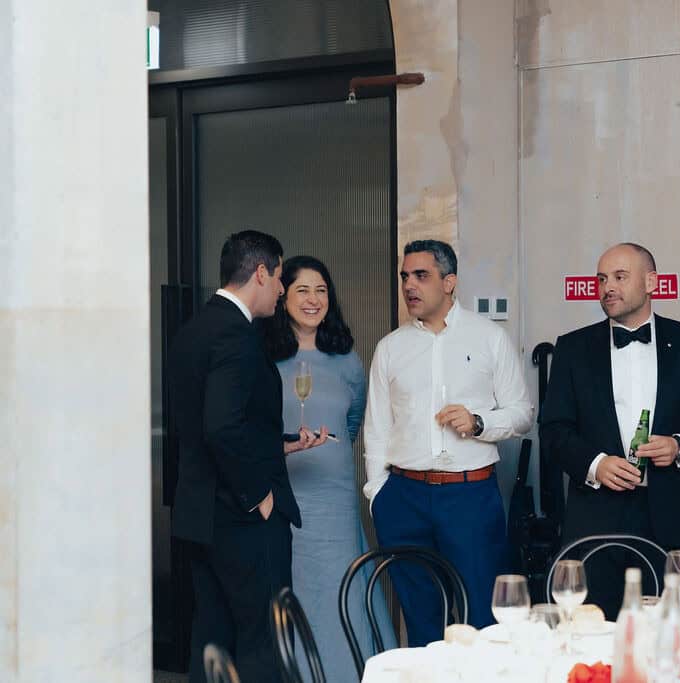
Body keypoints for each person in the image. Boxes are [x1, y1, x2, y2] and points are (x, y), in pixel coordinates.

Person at [539, 242, 680, 618]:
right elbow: (553, 430)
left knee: (676, 630)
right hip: (595, 517)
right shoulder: (573, 347)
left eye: (619, 277)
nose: (607, 287)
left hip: (673, 514)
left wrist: (679, 446)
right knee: (596, 631)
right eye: (601, 279)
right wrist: (596, 464)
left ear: (651, 283)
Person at [169, 230, 327, 683]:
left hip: (201, 517)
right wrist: (259, 493)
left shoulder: (193, 330)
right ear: (261, 272)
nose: (281, 289)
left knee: (212, 641)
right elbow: (221, 427)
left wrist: (279, 443)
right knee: (264, 644)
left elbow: (208, 425)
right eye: (279, 277)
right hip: (243, 520)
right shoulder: (237, 336)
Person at [363, 239, 533, 646]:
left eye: (421, 275)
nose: (409, 285)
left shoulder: (489, 338)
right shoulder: (389, 348)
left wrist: (478, 422)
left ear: (450, 281)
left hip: (470, 495)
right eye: (405, 276)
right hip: (402, 497)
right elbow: (376, 428)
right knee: (421, 620)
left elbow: (522, 412)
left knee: (481, 619)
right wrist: (377, 494)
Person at [263, 255, 395, 682]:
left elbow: (353, 423)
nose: (313, 299)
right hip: (287, 497)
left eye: (321, 290)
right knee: (296, 591)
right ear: (283, 296)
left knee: (344, 591)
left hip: (335, 500)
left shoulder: (347, 361)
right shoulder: (263, 358)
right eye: (302, 289)